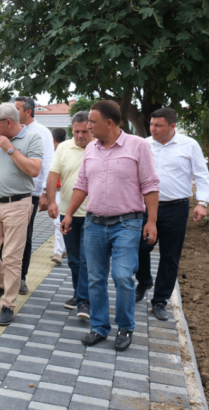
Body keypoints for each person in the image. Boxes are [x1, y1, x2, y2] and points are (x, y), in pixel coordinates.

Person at [61, 100, 159, 351]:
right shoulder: (92, 149)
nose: (89, 126)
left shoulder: (137, 146)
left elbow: (150, 185)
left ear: (110, 123)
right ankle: (100, 327)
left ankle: (125, 327)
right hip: (94, 224)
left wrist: (151, 221)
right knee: (95, 278)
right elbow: (82, 184)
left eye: (92, 122)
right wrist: (70, 214)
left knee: (123, 275)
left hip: (128, 223)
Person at [136, 107, 209, 320]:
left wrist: (202, 202)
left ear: (172, 126)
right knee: (140, 248)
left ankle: (160, 301)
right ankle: (144, 281)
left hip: (176, 208)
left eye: (158, 125)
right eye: (151, 125)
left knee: (170, 257)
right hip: (145, 207)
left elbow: (202, 175)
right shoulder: (144, 145)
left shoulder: (189, 145)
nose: (153, 129)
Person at [0, 102, 43, 325]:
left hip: (18, 204)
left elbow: (34, 170)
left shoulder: (32, 139)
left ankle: (8, 304)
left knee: (12, 257)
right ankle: (0, 283)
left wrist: (10, 148)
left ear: (7, 122)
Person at [47, 112, 93, 319]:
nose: (81, 135)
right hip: (69, 213)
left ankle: (85, 301)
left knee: (86, 259)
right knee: (74, 259)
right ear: (71, 129)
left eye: (85, 131)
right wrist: (51, 201)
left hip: (94, 214)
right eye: (77, 131)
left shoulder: (99, 147)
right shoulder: (64, 148)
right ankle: (79, 294)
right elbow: (53, 174)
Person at [14, 96, 54, 294]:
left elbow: (48, 164)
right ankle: (5, 277)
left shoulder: (41, 133)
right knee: (6, 237)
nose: (13, 113)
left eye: (17, 109)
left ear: (28, 111)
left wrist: (46, 193)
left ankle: (20, 277)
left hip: (31, 192)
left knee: (25, 237)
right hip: (9, 192)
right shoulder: (11, 129)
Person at [49, 127, 67, 265]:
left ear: (53, 139)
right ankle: (64, 249)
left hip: (59, 191)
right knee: (62, 221)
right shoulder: (68, 150)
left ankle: (58, 252)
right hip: (68, 191)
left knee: (58, 222)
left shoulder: (55, 153)